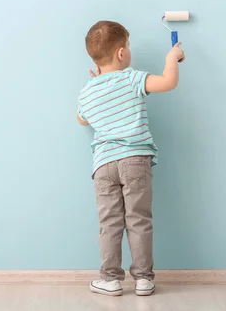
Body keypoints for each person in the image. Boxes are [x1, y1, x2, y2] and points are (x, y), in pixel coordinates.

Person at [76, 20, 185, 296]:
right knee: (138, 220)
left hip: (103, 165)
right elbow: (169, 82)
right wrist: (172, 57)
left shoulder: (87, 91)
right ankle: (144, 279)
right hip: (135, 159)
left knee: (109, 223)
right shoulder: (132, 78)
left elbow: (81, 119)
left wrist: (97, 85)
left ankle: (110, 279)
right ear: (122, 53)